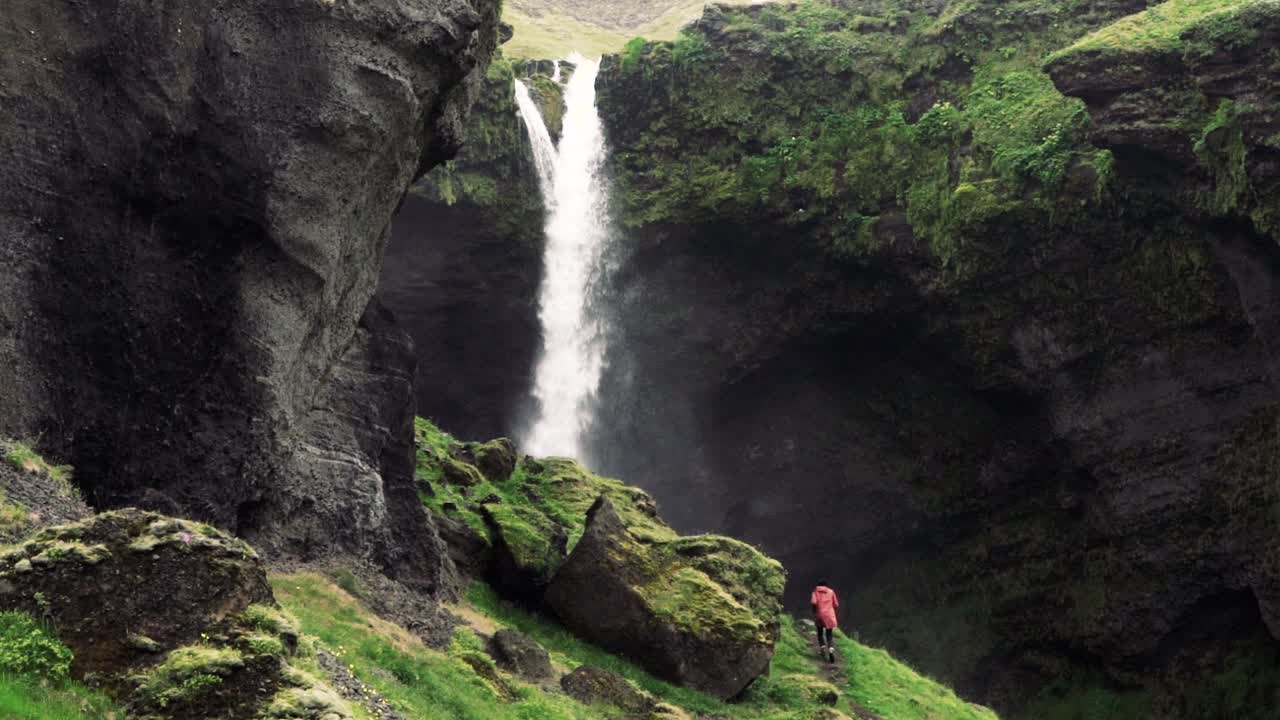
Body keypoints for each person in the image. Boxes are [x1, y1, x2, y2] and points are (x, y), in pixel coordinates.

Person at [811, 580, 840, 663]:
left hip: (819, 614)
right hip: (829, 615)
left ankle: (822, 647)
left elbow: (813, 602)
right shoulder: (831, 591)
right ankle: (830, 649)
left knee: (820, 633)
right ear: (826, 586)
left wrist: (814, 611)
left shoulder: (815, 592)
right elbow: (836, 605)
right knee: (829, 634)